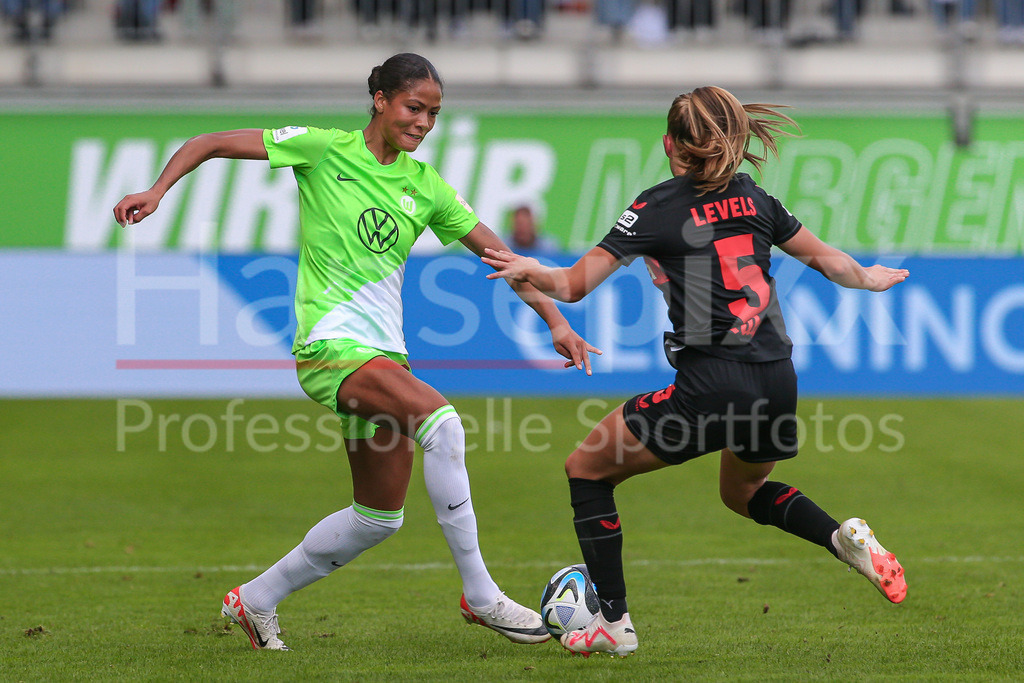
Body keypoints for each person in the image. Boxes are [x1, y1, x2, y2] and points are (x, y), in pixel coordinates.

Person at [113, 53, 599, 651]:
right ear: (380, 100)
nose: (423, 122)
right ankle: (482, 597)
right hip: (329, 348)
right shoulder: (321, 149)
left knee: (377, 517)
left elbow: (503, 260)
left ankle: (255, 599)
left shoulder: (427, 187)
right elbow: (212, 142)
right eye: (414, 107)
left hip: (384, 359)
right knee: (442, 426)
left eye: (434, 114)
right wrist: (158, 190)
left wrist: (556, 320)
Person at [483, 85, 910, 657]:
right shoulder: (754, 197)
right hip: (778, 377)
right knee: (746, 491)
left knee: (586, 468)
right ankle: (842, 539)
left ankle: (614, 623)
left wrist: (536, 269)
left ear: (669, 144)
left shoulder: (656, 207)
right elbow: (832, 263)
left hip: (714, 382)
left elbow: (575, 286)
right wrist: (870, 277)